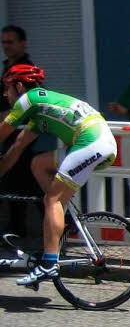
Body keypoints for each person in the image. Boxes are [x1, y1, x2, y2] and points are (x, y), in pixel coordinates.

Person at [0, 64, 117, 286]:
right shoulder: (40, 111)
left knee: (51, 199)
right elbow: (16, 147)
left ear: (19, 85)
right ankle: (62, 216)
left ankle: (49, 264)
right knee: (38, 164)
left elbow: (2, 131)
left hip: (92, 142)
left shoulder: (29, 99)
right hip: (96, 141)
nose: (6, 94)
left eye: (7, 88)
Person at [0, 26, 58, 244]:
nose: (6, 46)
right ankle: (25, 233)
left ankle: (55, 229)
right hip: (21, 134)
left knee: (29, 182)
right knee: (20, 180)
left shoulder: (26, 77)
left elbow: (16, 114)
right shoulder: (9, 68)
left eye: (10, 42)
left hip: (85, 143)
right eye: (3, 42)